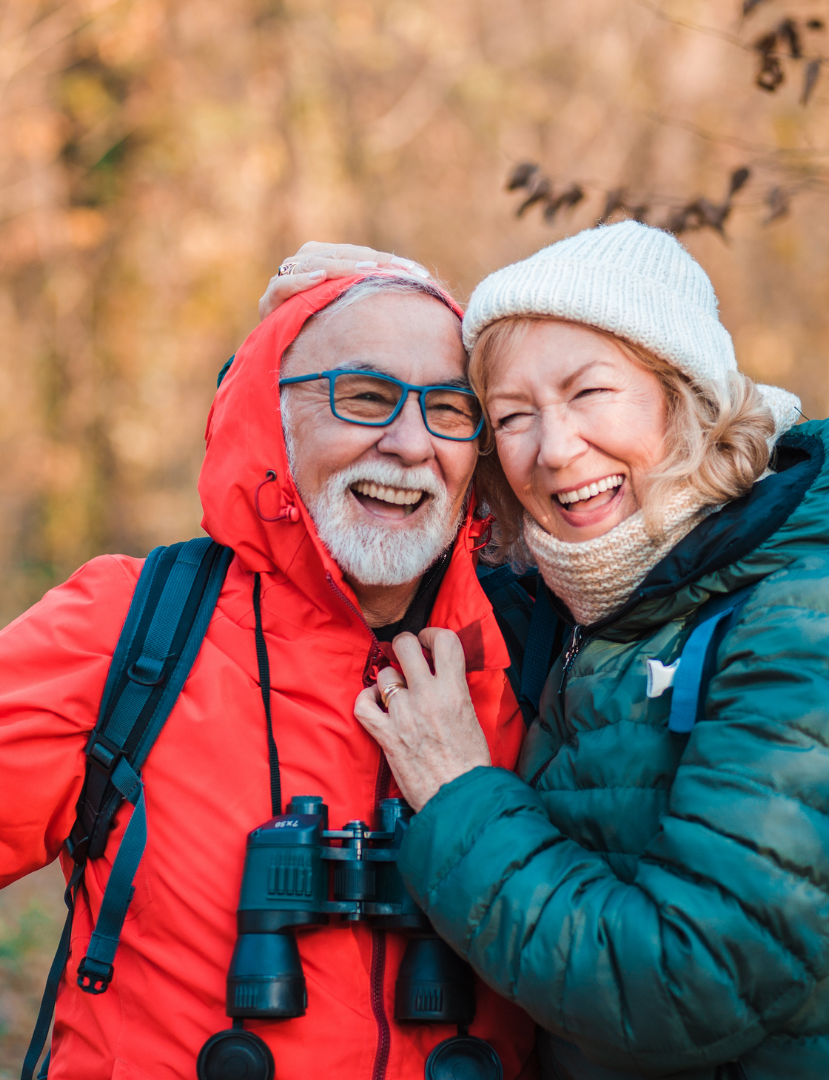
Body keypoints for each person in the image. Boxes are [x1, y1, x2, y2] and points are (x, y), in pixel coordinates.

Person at [0, 273, 538, 1079]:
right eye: (364, 396)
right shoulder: (135, 629)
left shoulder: (537, 654)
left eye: (448, 409)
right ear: (272, 415)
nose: (411, 442)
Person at [301, 222, 824, 1080]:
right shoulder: (574, 600)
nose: (554, 449)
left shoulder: (797, 618)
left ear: (682, 392)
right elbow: (365, 538)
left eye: (590, 393)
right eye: (512, 416)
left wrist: (459, 792)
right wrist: (356, 316)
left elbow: (686, 983)